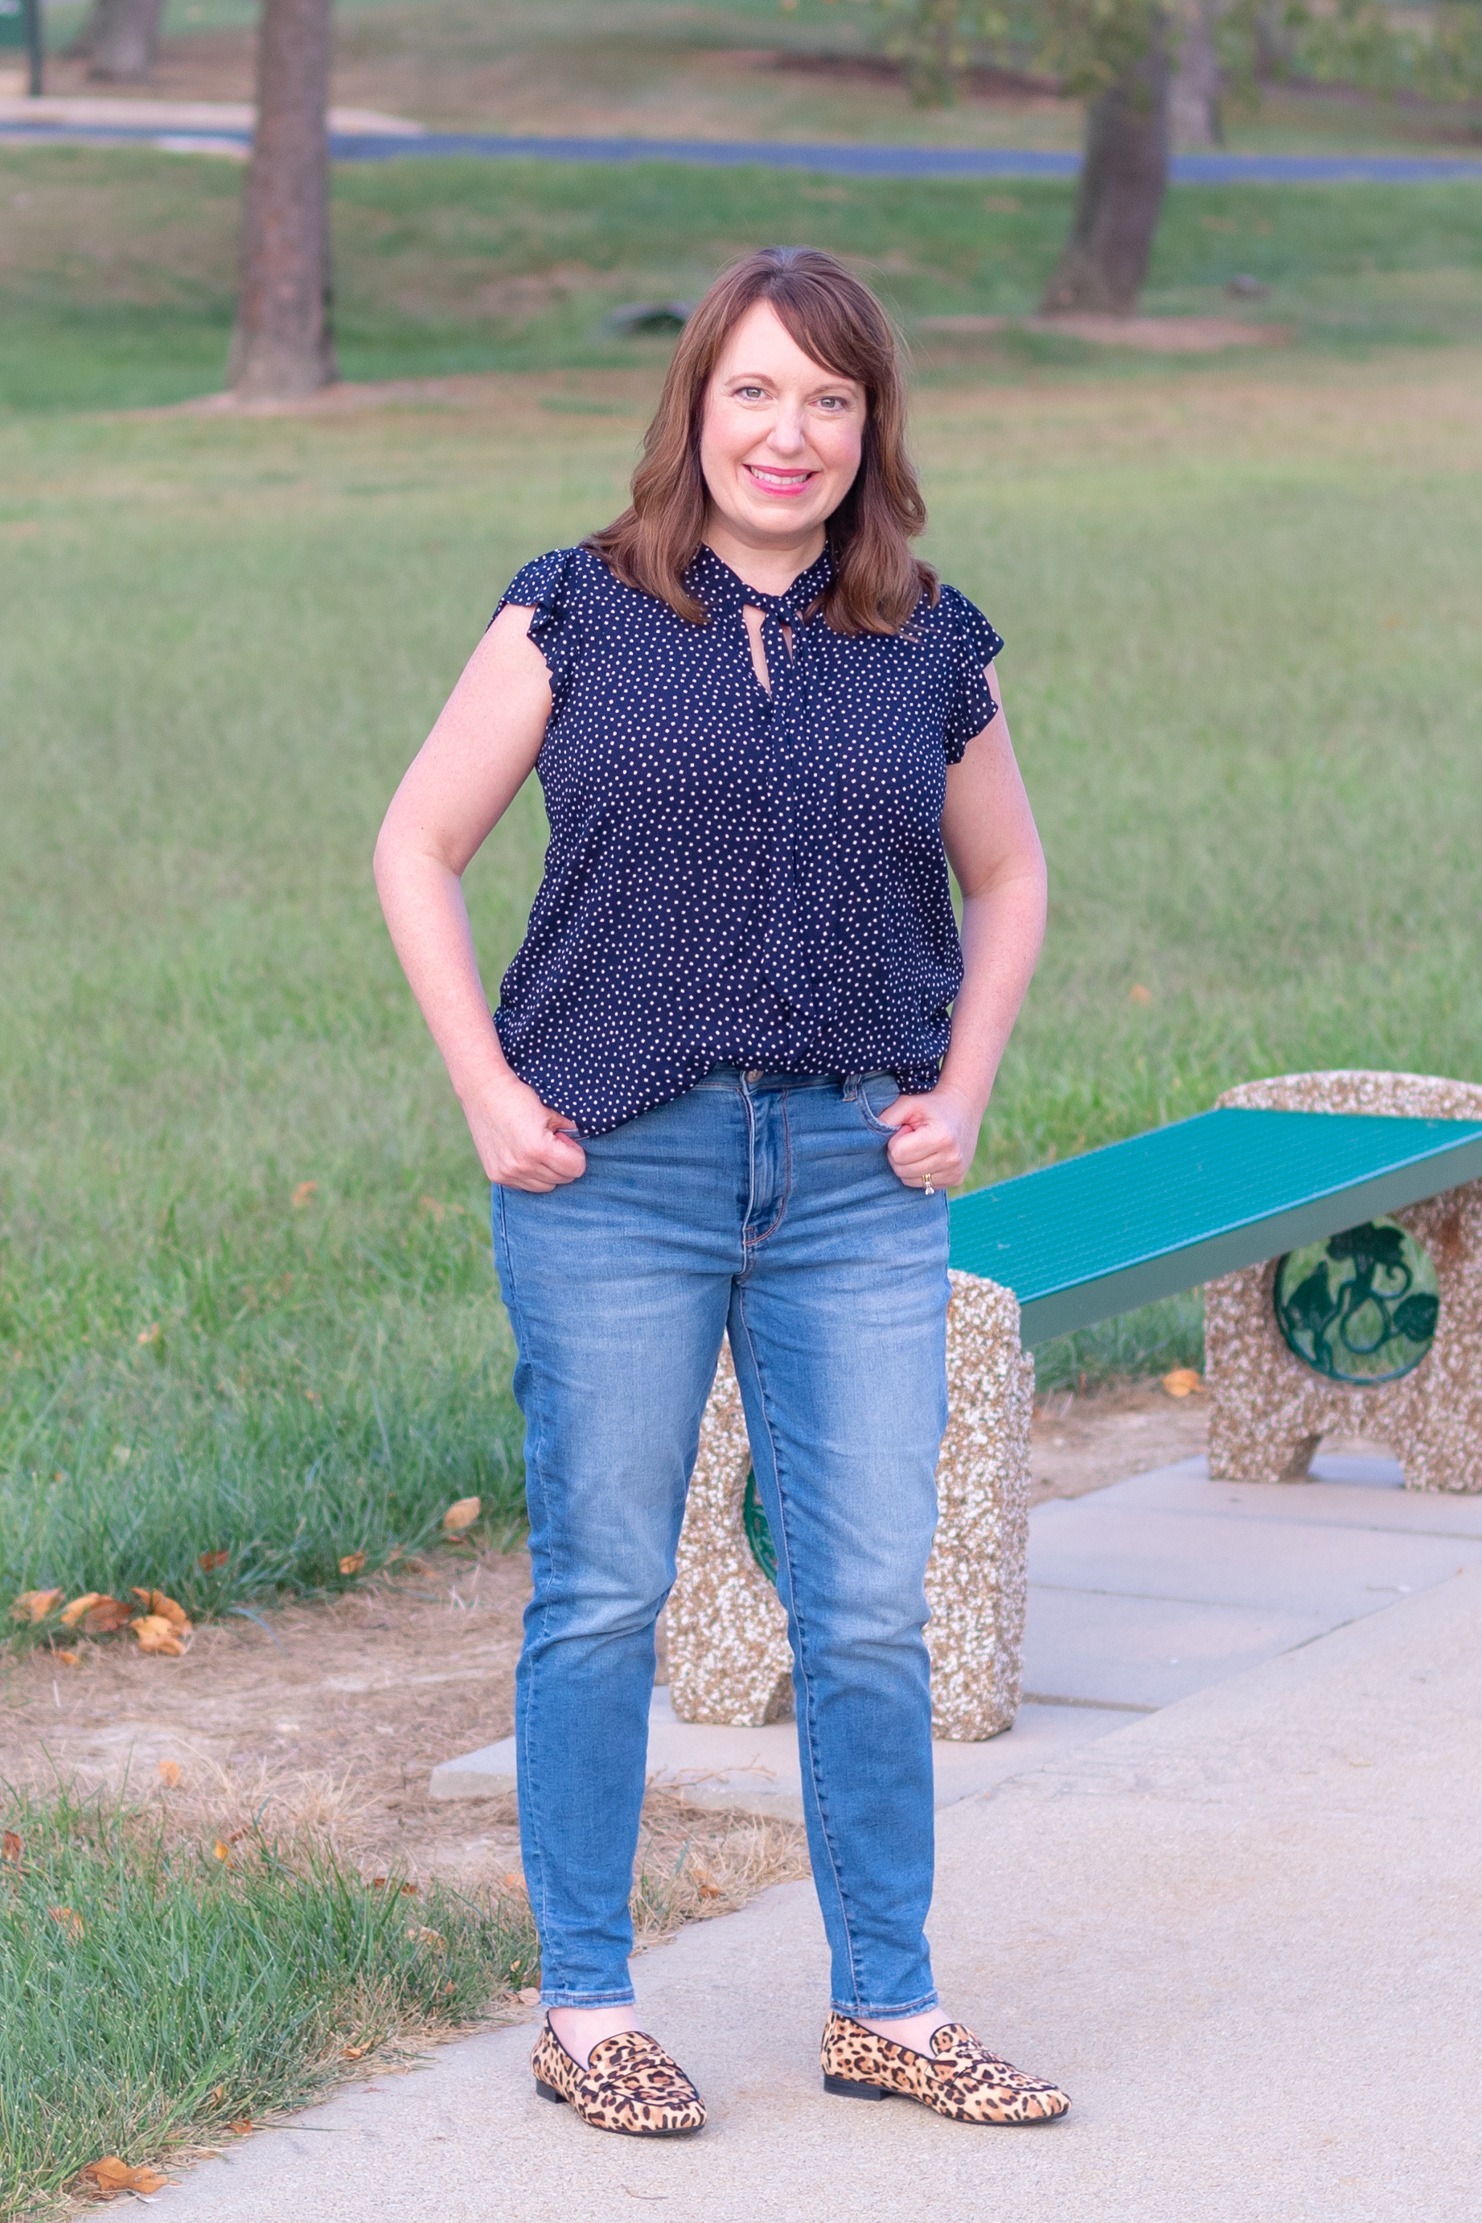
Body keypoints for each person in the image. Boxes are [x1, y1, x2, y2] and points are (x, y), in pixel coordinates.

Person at [374, 245, 1066, 2139]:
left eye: (829, 400)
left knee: (863, 1606)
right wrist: (487, 1092)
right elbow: (416, 843)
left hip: (855, 1172)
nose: (790, 431)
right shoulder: (574, 612)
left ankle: (889, 2007)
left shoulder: (927, 638)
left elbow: (1005, 880)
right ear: (694, 404)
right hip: (615, 1167)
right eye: (755, 390)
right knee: (600, 1593)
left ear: (871, 429)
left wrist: (963, 1088)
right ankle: (585, 2008)